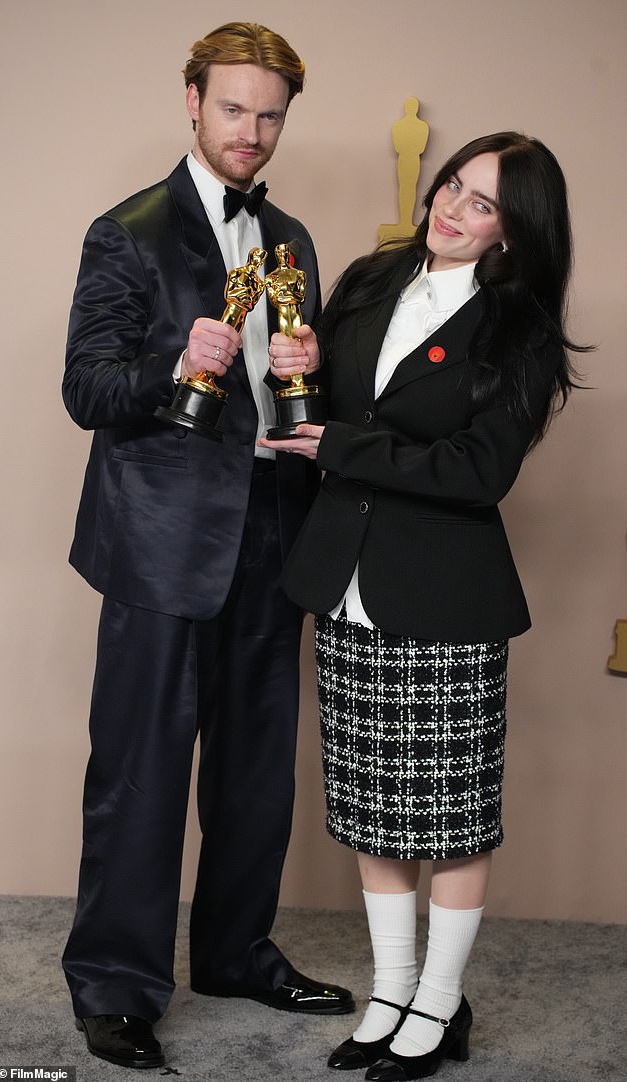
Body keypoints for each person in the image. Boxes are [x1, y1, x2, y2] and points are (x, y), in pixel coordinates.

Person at [259, 131, 586, 1080]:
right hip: (346, 582)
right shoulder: (368, 279)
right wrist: (303, 362)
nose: (453, 208)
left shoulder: (519, 332)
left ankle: (440, 1009)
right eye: (454, 185)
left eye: (483, 203)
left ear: (513, 234)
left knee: (451, 819)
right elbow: (320, 410)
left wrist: (339, 448)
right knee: (372, 810)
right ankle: (391, 995)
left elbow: (478, 470)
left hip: (446, 596)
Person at [61, 21, 353, 1072]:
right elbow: (85, 387)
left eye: (270, 114)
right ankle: (114, 984)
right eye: (235, 107)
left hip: (273, 533)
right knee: (140, 772)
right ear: (192, 101)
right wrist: (166, 361)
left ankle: (235, 950)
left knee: (253, 772)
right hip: (158, 545)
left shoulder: (294, 243)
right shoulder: (127, 231)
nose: (253, 131)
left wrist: (309, 369)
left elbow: (295, 398)